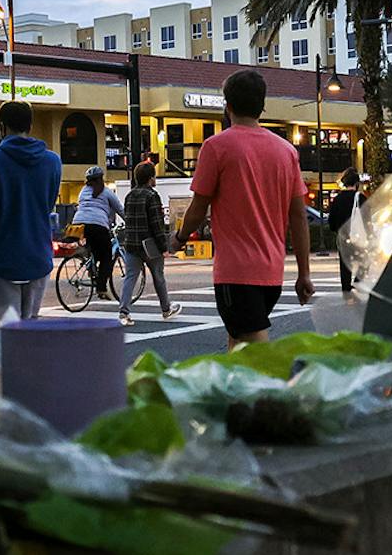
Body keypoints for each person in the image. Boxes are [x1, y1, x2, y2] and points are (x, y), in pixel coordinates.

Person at [173, 69, 314, 348]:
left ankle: (274, 393)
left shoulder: (216, 147)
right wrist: (304, 273)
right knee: (238, 343)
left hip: (235, 273)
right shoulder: (286, 151)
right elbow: (298, 217)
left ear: (228, 106)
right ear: (262, 105)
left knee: (254, 353)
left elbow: (198, 207)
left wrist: (178, 238)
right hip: (272, 274)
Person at [0, 99, 63, 320]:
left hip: (2, 260)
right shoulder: (53, 162)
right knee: (29, 334)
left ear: (2, 127)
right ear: (30, 126)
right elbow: (48, 204)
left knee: (1, 336)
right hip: (38, 257)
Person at [118, 162, 182, 327]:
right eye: (154, 176)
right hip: (149, 245)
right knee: (158, 277)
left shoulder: (129, 196)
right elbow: (157, 225)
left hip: (131, 244)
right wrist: (164, 248)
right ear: (149, 178)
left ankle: (124, 312)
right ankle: (166, 309)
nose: (155, 179)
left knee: (130, 277)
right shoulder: (152, 196)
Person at [74, 165, 124, 300]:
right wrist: (129, 221)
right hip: (98, 225)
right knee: (107, 257)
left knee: (96, 250)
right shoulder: (106, 192)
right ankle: (101, 288)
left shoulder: (83, 191)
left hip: (80, 224)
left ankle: (90, 266)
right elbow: (120, 209)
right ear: (101, 179)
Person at [327, 167, 363, 294]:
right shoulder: (361, 198)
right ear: (357, 183)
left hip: (343, 236)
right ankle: (358, 282)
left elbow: (331, 221)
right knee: (363, 260)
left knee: (345, 264)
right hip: (358, 237)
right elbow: (368, 219)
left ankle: (346, 288)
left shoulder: (337, 199)